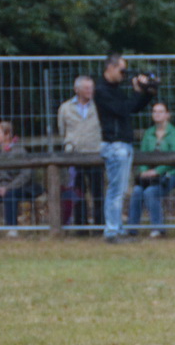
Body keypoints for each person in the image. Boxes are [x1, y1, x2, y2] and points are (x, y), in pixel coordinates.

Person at [96, 54, 156, 243]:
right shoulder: (101, 90)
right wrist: (137, 91)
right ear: (110, 68)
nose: (124, 74)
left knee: (120, 190)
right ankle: (112, 232)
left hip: (124, 145)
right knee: (115, 191)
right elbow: (123, 109)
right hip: (115, 145)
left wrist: (147, 93)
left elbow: (134, 108)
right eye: (122, 70)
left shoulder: (114, 89)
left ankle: (117, 229)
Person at [130, 100, 175, 236]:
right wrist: (143, 171)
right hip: (149, 175)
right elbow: (142, 156)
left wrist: (156, 171)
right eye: (154, 111)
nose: (157, 114)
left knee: (151, 192)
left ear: (167, 114)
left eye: (161, 111)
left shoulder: (174, 133)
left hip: (171, 174)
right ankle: (131, 229)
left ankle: (158, 228)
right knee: (137, 191)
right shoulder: (148, 133)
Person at [57, 75, 103, 228]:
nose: (90, 90)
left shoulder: (100, 106)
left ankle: (99, 225)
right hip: (75, 157)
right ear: (77, 89)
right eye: (86, 87)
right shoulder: (65, 108)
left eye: (91, 87)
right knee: (77, 192)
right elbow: (62, 131)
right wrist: (70, 146)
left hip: (96, 154)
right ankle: (80, 226)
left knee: (98, 193)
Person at [0, 120, 40, 233]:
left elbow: (25, 174)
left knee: (10, 194)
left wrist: (9, 187)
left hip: (17, 187)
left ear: (7, 134)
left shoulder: (20, 151)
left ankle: (12, 228)